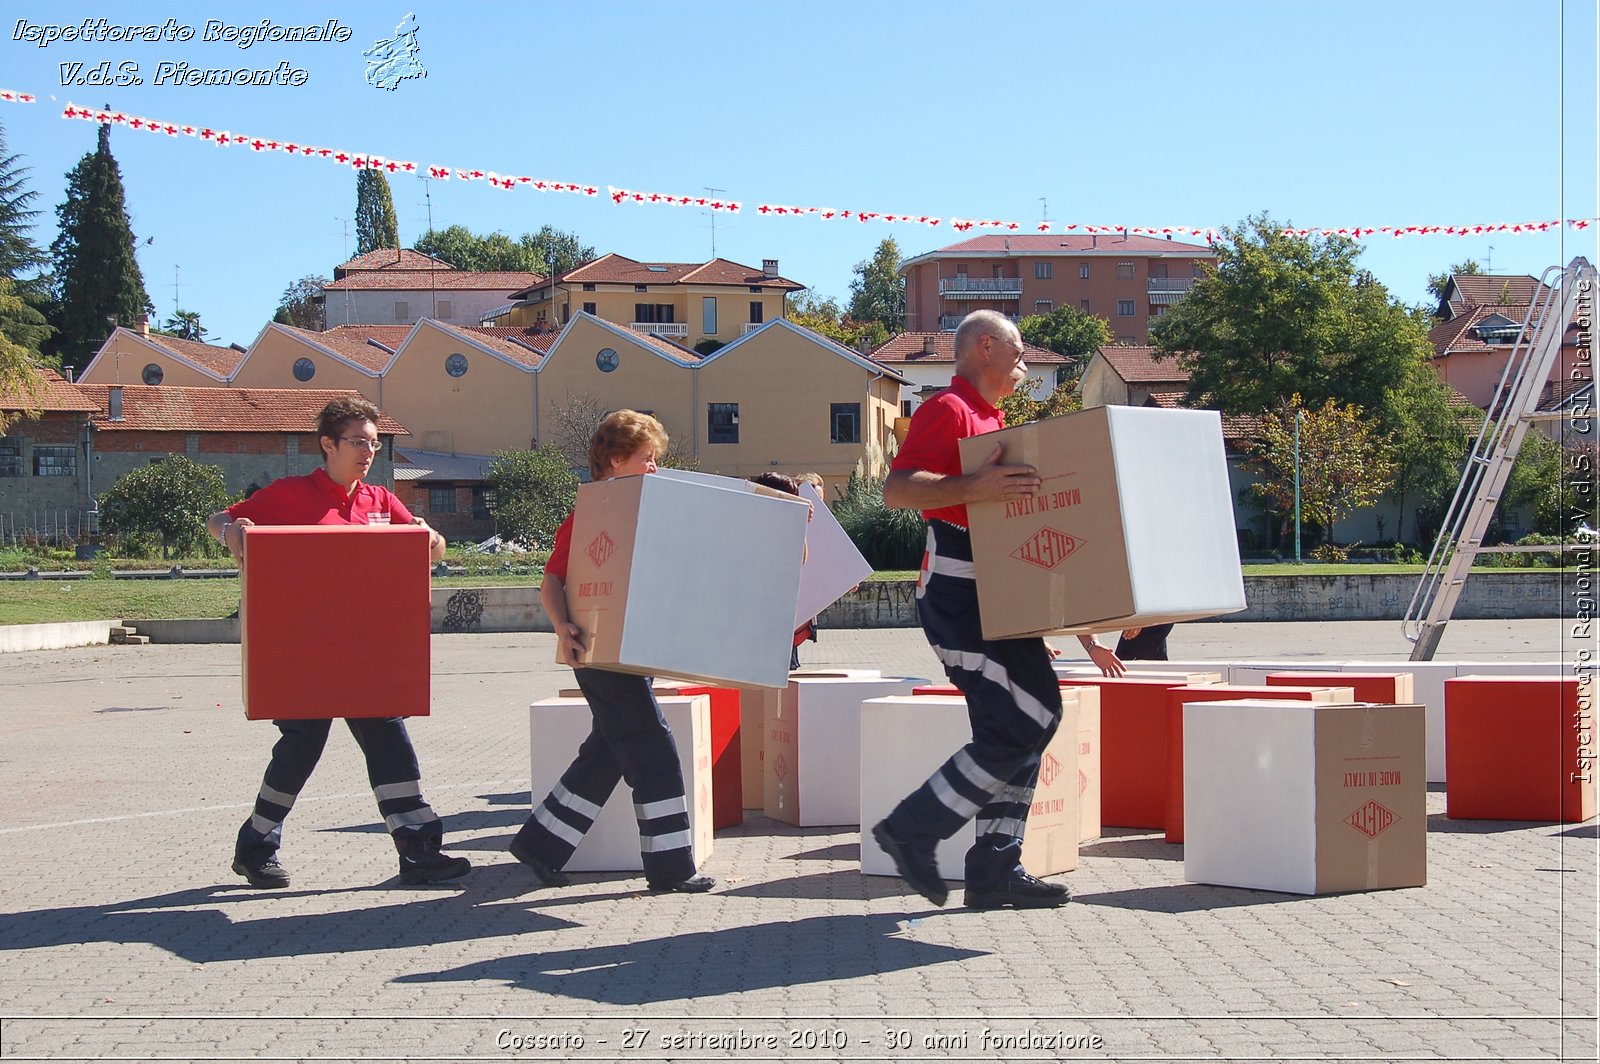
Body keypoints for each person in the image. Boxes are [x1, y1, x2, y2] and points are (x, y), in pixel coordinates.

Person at [872, 309, 1125, 911]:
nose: (1023, 365)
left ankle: (993, 870)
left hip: (998, 599)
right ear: (984, 348)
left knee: (1029, 721)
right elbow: (898, 488)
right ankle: (915, 829)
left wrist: (1080, 621)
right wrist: (972, 489)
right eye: (1016, 354)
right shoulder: (949, 409)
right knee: (1026, 719)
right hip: (960, 600)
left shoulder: (992, 420)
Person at [208, 397, 470, 890]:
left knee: (390, 743)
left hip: (367, 651)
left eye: (373, 443)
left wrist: (430, 537)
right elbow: (220, 519)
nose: (368, 451)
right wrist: (234, 532)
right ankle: (256, 846)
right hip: (305, 650)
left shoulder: (378, 500)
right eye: (357, 442)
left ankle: (418, 849)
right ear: (328, 445)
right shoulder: (289, 494)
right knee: (302, 745)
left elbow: (429, 545)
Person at [510, 410, 715, 894]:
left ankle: (540, 844)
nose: (655, 469)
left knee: (606, 753)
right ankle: (672, 869)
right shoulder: (589, 516)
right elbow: (551, 580)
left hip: (626, 650)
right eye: (647, 459)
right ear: (617, 460)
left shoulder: (641, 510)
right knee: (654, 751)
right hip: (597, 652)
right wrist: (563, 628)